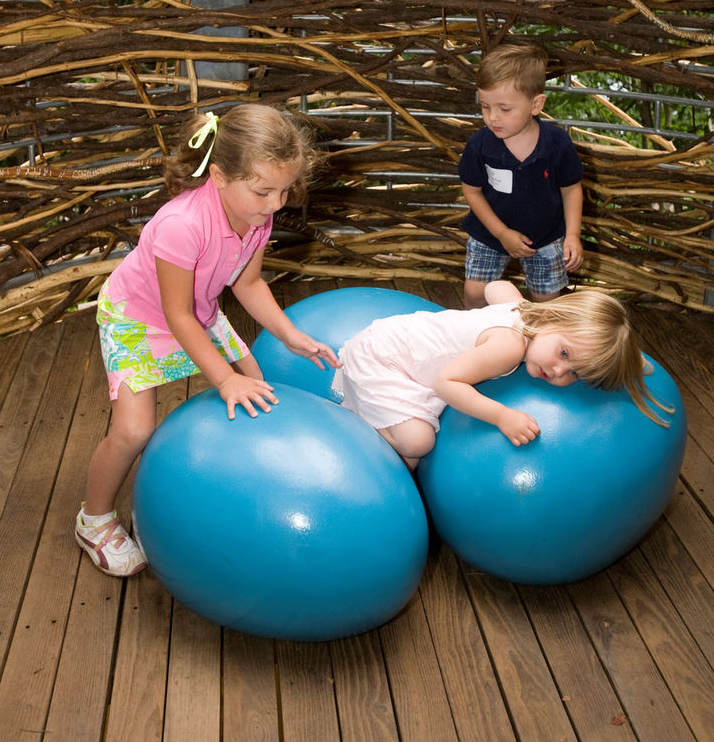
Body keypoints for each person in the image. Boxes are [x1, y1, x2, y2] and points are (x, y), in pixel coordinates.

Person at [76, 104, 340, 576]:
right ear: (219, 176)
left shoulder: (256, 216)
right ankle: (93, 519)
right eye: (263, 190)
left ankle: (251, 491)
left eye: (284, 190)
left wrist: (290, 335)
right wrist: (223, 380)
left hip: (195, 312)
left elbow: (249, 284)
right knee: (135, 430)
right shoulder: (182, 225)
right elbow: (176, 316)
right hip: (138, 319)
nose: (276, 204)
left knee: (258, 384)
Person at [332, 281, 671, 470]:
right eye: (564, 353)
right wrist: (502, 416)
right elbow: (446, 383)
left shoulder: (524, 311)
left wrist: (624, 358)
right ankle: (357, 428)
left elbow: (497, 286)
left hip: (400, 340)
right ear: (551, 316)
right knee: (417, 444)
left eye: (575, 373)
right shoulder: (508, 346)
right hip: (385, 359)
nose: (558, 371)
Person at [459, 43, 584, 309]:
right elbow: (471, 190)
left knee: (547, 304)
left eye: (505, 109)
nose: (492, 118)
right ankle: (473, 336)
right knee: (475, 293)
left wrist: (572, 234)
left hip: (546, 236)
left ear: (536, 104)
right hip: (489, 234)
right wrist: (502, 233)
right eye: (485, 106)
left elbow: (571, 189)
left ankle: (540, 346)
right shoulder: (479, 145)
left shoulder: (557, 144)